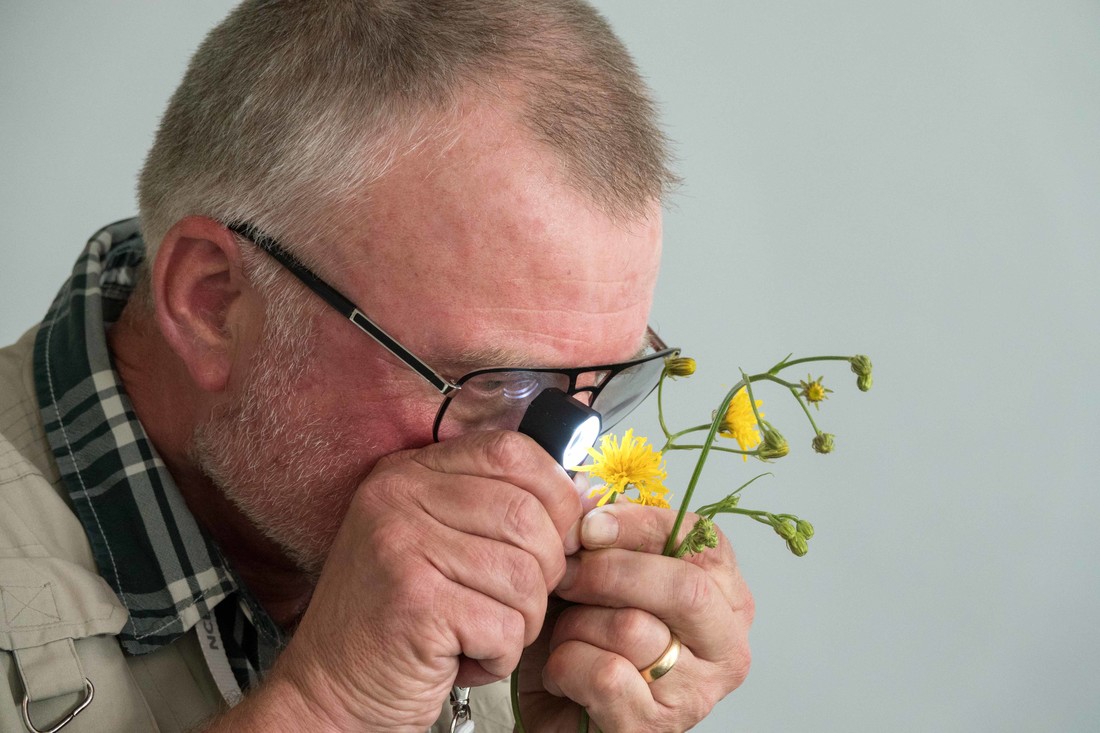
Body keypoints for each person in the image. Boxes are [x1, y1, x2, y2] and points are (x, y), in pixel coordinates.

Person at [0, 1, 754, 730]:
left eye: (599, 390)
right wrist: (324, 707)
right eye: (490, 386)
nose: (555, 476)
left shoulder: (513, 633)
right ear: (213, 305)